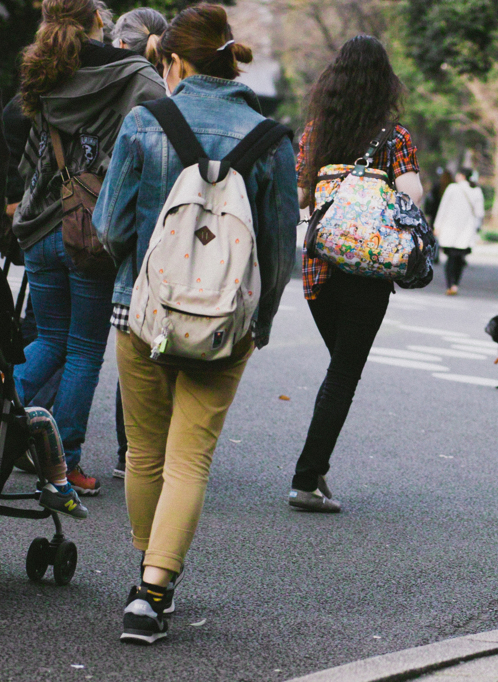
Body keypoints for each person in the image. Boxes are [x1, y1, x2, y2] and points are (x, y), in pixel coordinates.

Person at [93, 3, 298, 643]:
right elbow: (279, 247)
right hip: (225, 327)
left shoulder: (143, 123)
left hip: (140, 315)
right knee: (190, 459)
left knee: (147, 453)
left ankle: (146, 581)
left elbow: (109, 227)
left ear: (174, 61)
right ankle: (154, 591)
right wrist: (258, 323)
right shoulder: (270, 140)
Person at [9, 0, 165, 497]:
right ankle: (64, 463)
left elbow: (27, 154)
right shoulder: (131, 73)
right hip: (91, 229)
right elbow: (161, 132)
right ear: (98, 21)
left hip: (38, 225)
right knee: (81, 350)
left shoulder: (43, 66)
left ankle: (8, 411)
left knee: (48, 340)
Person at [290, 34, 422, 513]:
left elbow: (301, 197)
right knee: (344, 372)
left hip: (319, 268)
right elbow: (413, 197)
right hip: (368, 271)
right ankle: (305, 478)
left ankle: (315, 467)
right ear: (384, 82)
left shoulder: (314, 133)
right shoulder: (395, 137)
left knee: (339, 368)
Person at [108, 6, 168, 480]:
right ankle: (135, 447)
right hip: (160, 251)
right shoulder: (157, 95)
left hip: (64, 215)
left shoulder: (83, 73)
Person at [434, 167, 484, 295]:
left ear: (461, 176)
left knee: (450, 258)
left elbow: (443, 207)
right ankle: (455, 284)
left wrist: (437, 225)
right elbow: (479, 213)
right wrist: (476, 228)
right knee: (459, 259)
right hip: (467, 230)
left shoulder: (452, 188)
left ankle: (450, 284)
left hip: (450, 229)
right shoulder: (477, 191)